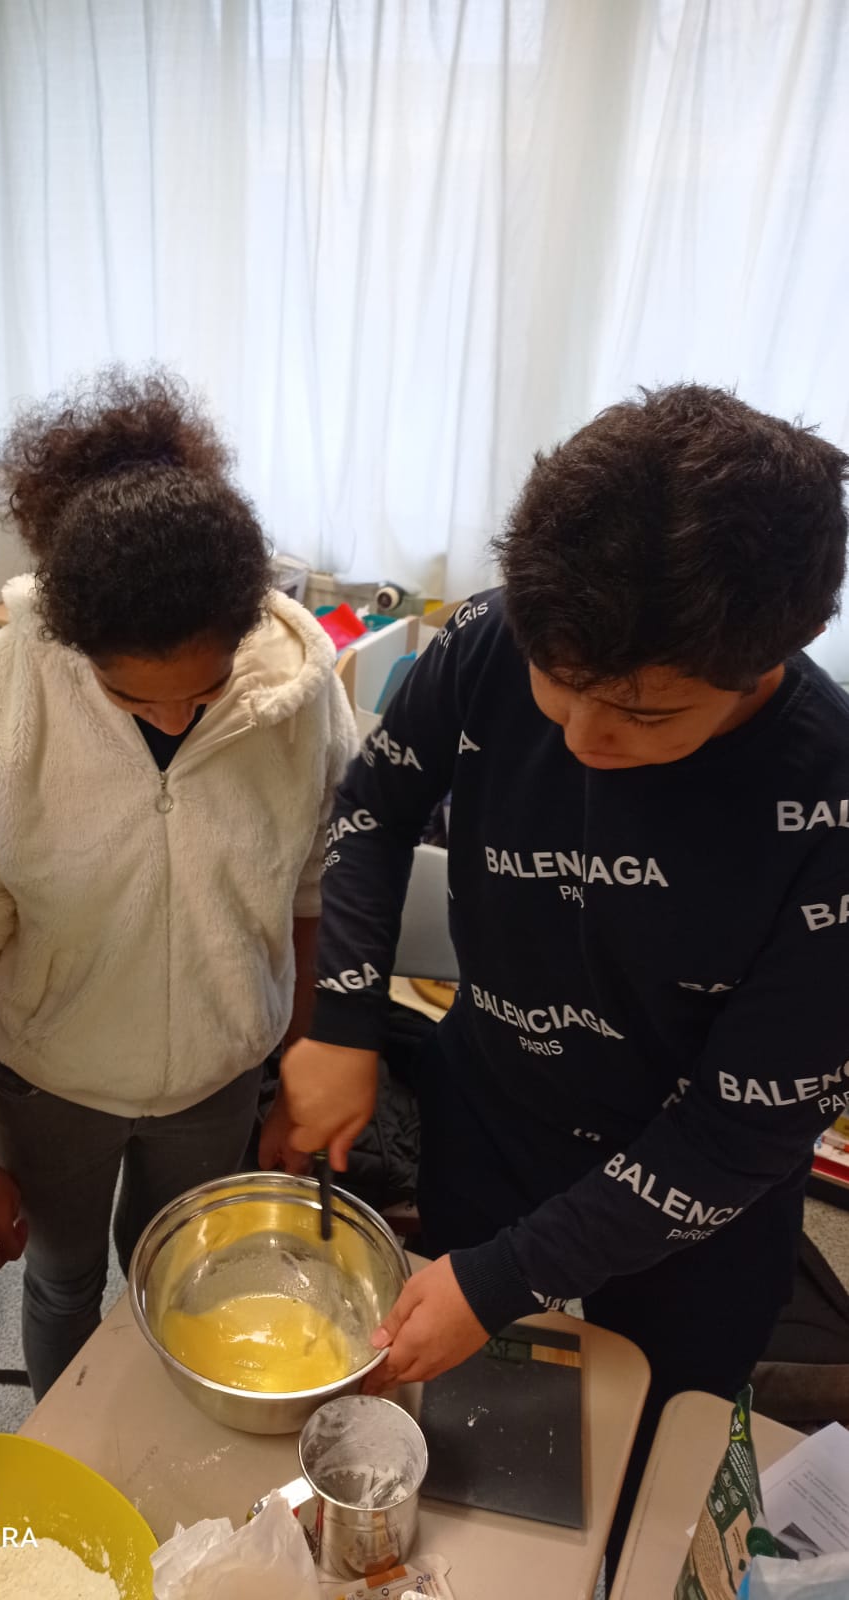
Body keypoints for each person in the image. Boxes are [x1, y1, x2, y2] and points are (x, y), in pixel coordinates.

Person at [263, 383, 849, 1554]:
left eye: (643, 714)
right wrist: (342, 1017)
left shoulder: (825, 805)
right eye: (555, 681)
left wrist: (503, 1279)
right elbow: (375, 807)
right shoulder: (491, 637)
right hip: (496, 1115)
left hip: (691, 1203)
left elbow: (738, 1134)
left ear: (764, 661)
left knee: (650, 1469)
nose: (580, 737)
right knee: (479, 1436)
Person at [0, 367, 357, 1397]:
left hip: (219, 1072)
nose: (172, 718)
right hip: (51, 1081)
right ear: (75, 644)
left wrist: (296, 1069)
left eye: (203, 689)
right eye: (130, 696)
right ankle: (68, 1448)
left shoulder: (300, 695)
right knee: (63, 1281)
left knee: (184, 1277)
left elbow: (315, 899)